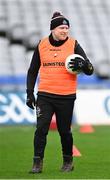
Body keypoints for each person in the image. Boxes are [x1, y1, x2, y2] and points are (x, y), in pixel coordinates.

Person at [26, 11, 94, 173]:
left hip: (66, 96)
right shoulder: (41, 45)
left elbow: (90, 70)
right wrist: (29, 92)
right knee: (41, 129)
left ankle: (68, 162)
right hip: (45, 94)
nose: (65, 31)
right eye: (62, 28)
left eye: (67, 28)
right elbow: (32, 71)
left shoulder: (74, 44)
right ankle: (37, 163)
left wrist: (84, 65)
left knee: (65, 131)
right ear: (53, 29)